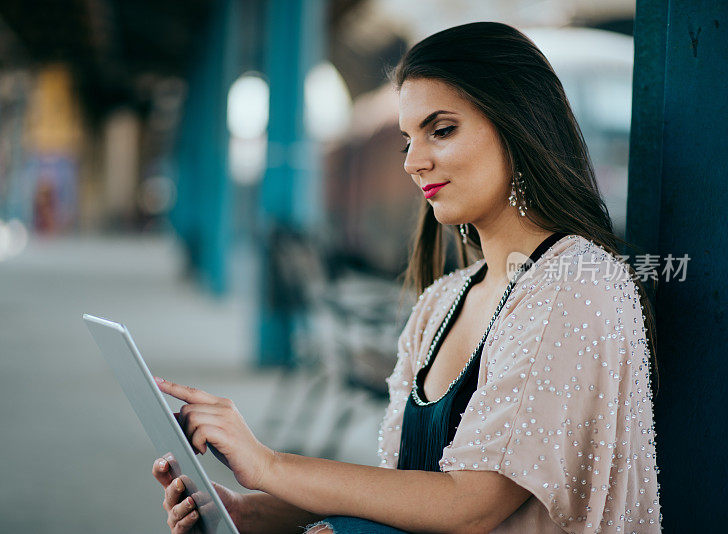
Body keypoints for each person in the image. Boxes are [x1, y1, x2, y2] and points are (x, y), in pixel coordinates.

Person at [151, 22, 661, 533]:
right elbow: (405, 487)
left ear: (520, 126)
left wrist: (270, 466)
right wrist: (249, 513)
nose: (414, 163)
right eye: (407, 141)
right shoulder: (442, 303)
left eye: (441, 130)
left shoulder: (578, 285)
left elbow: (471, 505)